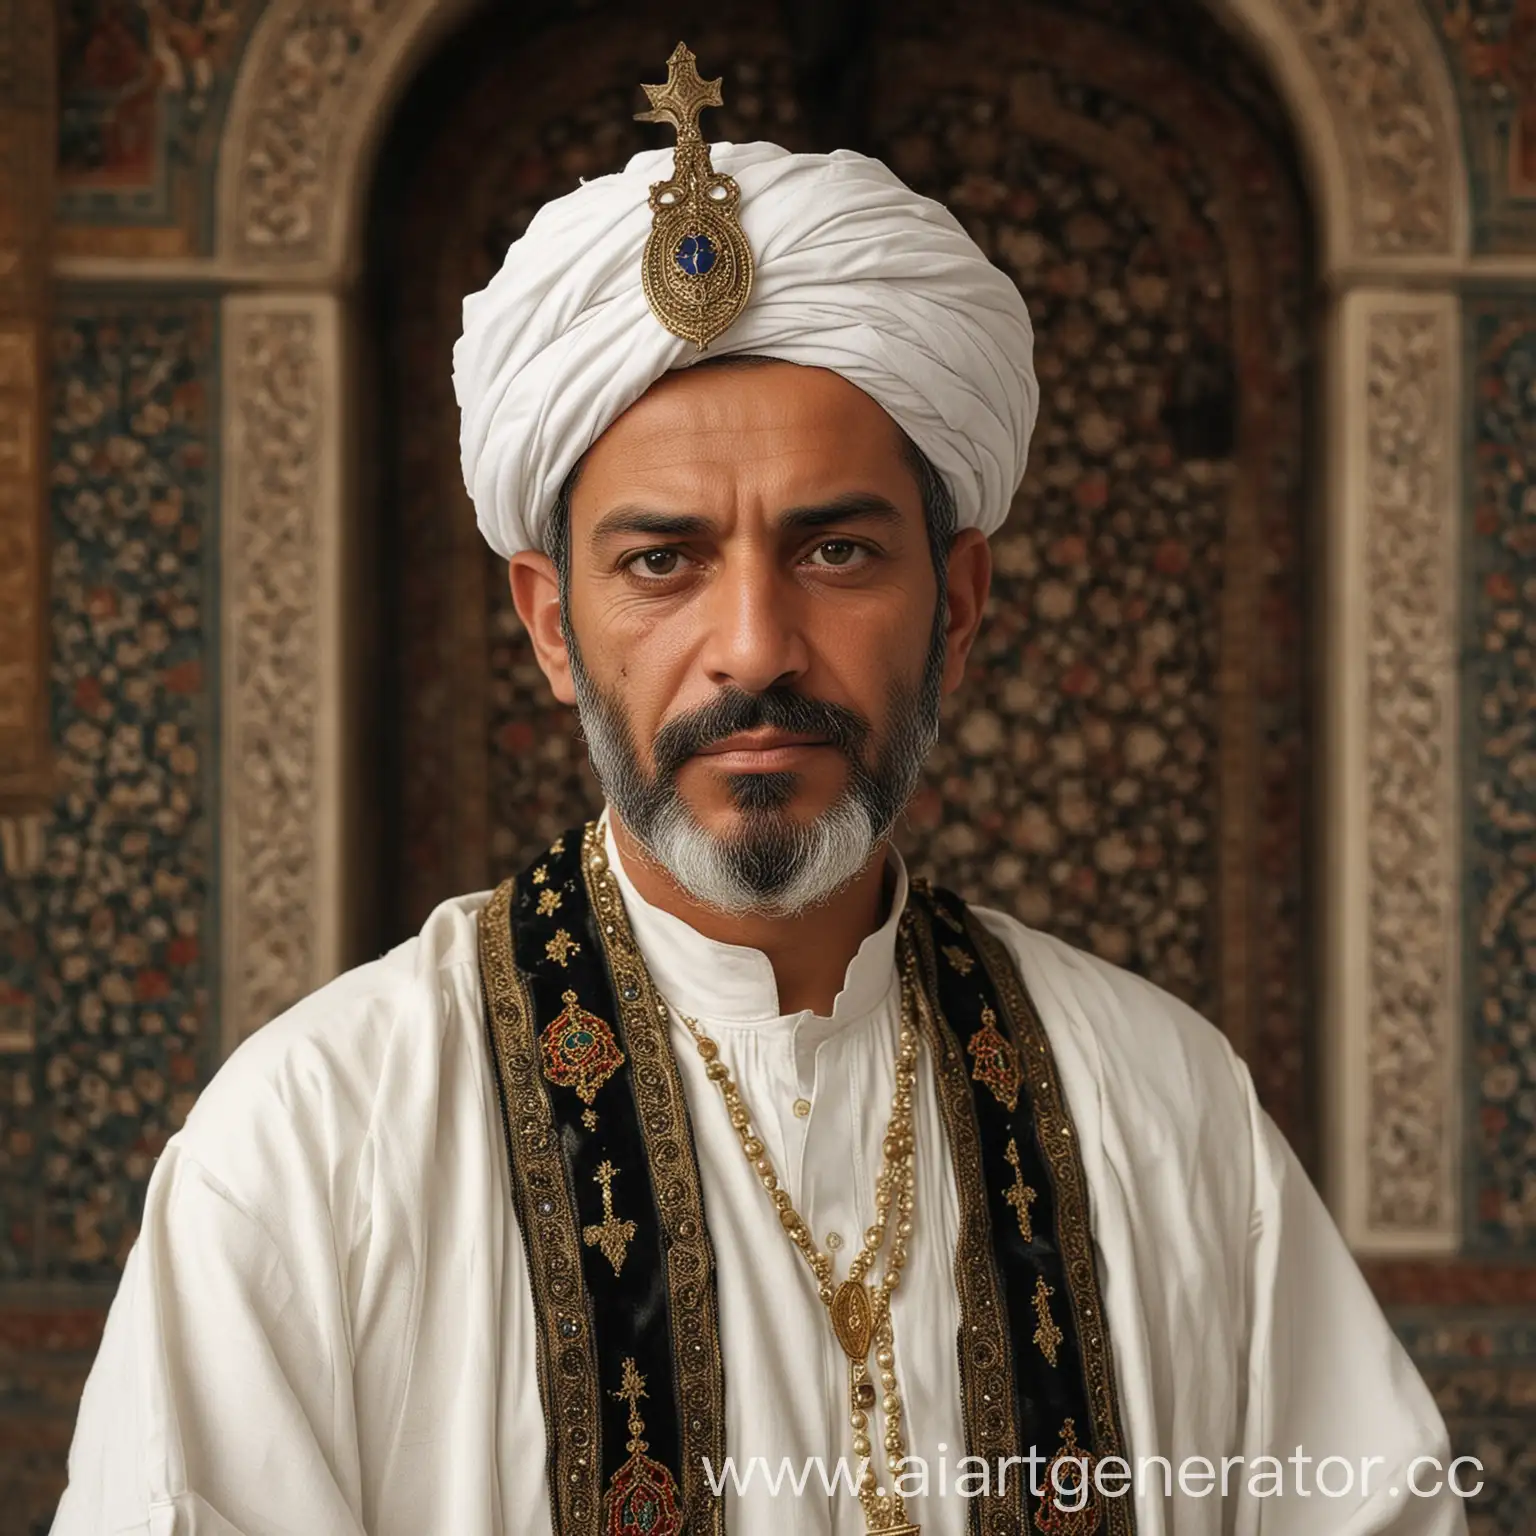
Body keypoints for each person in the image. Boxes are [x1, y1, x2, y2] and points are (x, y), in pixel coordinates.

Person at [53, 44, 1464, 1536]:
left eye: (836, 550)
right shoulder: (312, 1151)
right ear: (550, 624)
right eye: (663, 561)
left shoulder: (1168, 1113)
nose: (753, 648)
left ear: (960, 602)